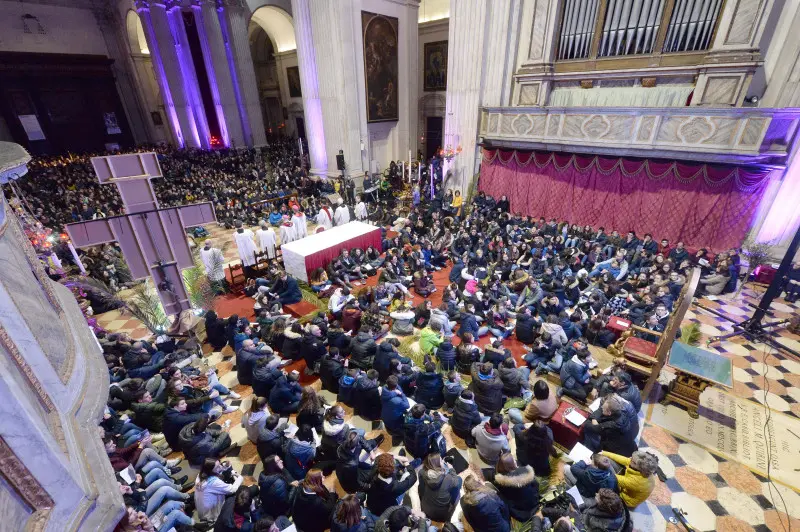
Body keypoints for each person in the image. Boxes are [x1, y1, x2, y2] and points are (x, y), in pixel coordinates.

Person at [490, 452, 539, 523]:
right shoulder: (527, 471)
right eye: (513, 460)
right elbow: (536, 485)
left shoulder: (500, 480)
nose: (515, 461)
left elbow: (503, 495)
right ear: (511, 465)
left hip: (517, 510)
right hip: (532, 502)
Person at [366, 453, 418, 518]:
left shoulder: (375, 470)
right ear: (393, 470)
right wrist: (407, 463)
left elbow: (379, 457)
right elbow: (413, 477)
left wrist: (398, 457)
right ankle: (406, 467)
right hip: (386, 510)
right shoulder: (396, 487)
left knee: (398, 467)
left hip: (371, 504)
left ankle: (401, 467)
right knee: (407, 475)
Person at [193, 458, 243, 523]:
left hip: (203, 512)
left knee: (225, 472)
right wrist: (240, 477)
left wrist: (225, 466)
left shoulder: (201, 475)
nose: (220, 467)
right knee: (237, 495)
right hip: (213, 515)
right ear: (211, 471)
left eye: (219, 464)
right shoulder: (214, 482)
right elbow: (233, 489)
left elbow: (217, 471)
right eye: (217, 467)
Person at [417, 452, 462, 522]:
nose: (443, 462)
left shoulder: (422, 472)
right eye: (441, 461)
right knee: (459, 480)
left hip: (425, 509)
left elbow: (421, 489)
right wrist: (451, 469)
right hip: (441, 515)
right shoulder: (448, 478)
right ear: (437, 465)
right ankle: (449, 513)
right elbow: (456, 483)